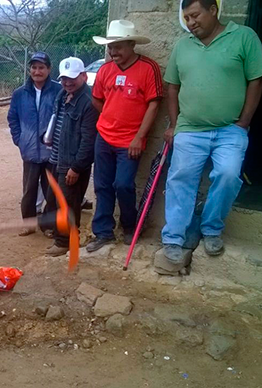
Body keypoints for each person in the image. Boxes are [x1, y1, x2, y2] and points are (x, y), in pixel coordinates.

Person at [161, 0, 262, 263]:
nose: (191, 22)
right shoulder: (183, 45)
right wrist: (174, 124)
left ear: (213, 10)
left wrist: (244, 121)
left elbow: (257, 79)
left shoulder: (243, 37)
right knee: (180, 179)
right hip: (190, 128)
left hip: (229, 129)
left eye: (195, 15)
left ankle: (211, 228)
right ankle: (173, 237)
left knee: (229, 175)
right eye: (186, 18)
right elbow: (172, 87)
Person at [87, 20, 163, 252]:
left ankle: (130, 226)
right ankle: (103, 232)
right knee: (102, 185)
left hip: (130, 141)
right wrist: (111, 118)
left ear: (132, 45)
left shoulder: (148, 68)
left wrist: (140, 136)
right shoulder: (105, 70)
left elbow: (154, 104)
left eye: (118, 46)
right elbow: (97, 99)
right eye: (110, 47)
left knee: (123, 185)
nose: (113, 51)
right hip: (104, 138)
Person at [45, 58, 99, 256]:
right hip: (58, 158)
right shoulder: (63, 94)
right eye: (64, 79)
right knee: (59, 200)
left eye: (72, 79)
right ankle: (63, 237)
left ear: (84, 76)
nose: (68, 83)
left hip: (72, 163)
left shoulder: (88, 102)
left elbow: (88, 139)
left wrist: (76, 167)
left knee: (68, 203)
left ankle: (64, 242)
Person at [7, 52, 61, 236]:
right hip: (29, 150)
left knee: (51, 191)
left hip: (51, 151)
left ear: (49, 69)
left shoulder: (58, 91)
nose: (37, 71)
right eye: (34, 67)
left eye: (41, 67)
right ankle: (29, 224)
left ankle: (48, 226)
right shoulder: (20, 93)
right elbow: (12, 118)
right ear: (29, 69)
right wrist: (19, 139)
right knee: (29, 191)